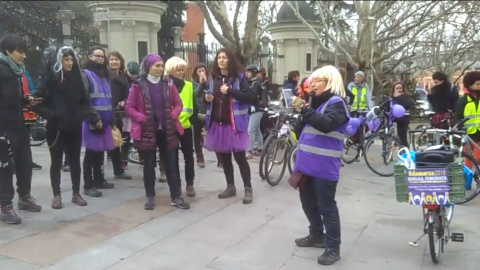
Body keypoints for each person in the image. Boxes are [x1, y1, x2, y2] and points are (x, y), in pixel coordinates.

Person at [292, 65, 349, 265]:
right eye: (312, 80)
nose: (312, 84)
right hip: (306, 164)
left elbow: (326, 125)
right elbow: (300, 131)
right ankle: (316, 234)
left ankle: (333, 248)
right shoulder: (315, 103)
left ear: (330, 82)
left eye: (318, 81)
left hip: (324, 166)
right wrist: (301, 112)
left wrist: (306, 110)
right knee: (307, 202)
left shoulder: (336, 103)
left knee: (327, 207)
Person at [33, 45, 100, 209]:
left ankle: (76, 193)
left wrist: (81, 115)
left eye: (71, 59)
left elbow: (85, 101)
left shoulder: (77, 79)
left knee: (75, 161)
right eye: (66, 60)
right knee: (56, 162)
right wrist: (51, 114)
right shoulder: (49, 80)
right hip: (55, 128)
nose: (69, 63)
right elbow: (36, 102)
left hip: (74, 126)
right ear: (59, 61)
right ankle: (56, 195)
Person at [125, 53, 190, 210]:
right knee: (148, 165)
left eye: (162, 66)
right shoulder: (138, 85)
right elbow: (129, 107)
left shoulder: (168, 84)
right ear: (148, 67)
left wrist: (173, 115)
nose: (161, 68)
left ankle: (176, 196)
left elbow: (178, 104)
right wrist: (141, 118)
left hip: (166, 130)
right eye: (157, 65)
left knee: (171, 164)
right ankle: (150, 197)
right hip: (147, 130)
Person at [204, 48, 256, 204]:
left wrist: (231, 91)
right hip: (218, 124)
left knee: (240, 158)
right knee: (224, 158)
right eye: (219, 57)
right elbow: (205, 97)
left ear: (230, 60)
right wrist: (207, 97)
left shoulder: (240, 78)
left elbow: (251, 97)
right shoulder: (213, 78)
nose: (221, 60)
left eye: (224, 58)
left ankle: (248, 188)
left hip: (234, 125)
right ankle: (230, 186)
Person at [0, 34, 42, 225]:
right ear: (7, 51)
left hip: (19, 124)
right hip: (5, 127)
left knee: (25, 162)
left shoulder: (16, 71)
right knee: (6, 167)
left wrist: (27, 100)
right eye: (20, 51)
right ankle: (6, 205)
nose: (23, 56)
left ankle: (24, 197)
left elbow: (13, 98)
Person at [81, 46, 116, 197]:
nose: (100, 59)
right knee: (91, 153)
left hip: (105, 120)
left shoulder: (105, 77)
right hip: (93, 120)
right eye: (97, 56)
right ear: (90, 57)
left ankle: (99, 179)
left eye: (102, 56)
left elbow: (108, 100)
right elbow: (84, 99)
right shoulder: (86, 74)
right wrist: (94, 118)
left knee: (100, 152)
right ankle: (88, 185)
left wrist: (112, 119)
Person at [164, 56, 196, 197]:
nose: (181, 72)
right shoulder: (165, 85)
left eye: (183, 70)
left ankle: (190, 183)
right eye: (178, 70)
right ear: (171, 70)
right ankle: (176, 184)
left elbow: (193, 107)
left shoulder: (189, 85)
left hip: (186, 127)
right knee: (173, 157)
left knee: (189, 156)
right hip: (171, 127)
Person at [192, 62, 223, 168]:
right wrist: (201, 84)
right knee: (196, 137)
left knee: (213, 135)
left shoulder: (210, 82)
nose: (201, 73)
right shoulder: (193, 82)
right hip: (197, 113)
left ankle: (220, 159)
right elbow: (194, 94)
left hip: (208, 113)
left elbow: (214, 92)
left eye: (203, 70)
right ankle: (200, 158)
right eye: (199, 71)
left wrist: (211, 96)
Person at [107, 51, 132, 177]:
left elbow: (129, 94)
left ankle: (121, 166)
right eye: (111, 59)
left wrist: (126, 101)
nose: (114, 62)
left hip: (122, 112)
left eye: (116, 59)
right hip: (111, 111)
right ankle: (118, 169)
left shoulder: (124, 76)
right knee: (115, 141)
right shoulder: (107, 76)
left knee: (122, 138)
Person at [455, 71, 480, 169]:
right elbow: (458, 117)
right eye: (477, 84)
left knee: (478, 158)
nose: (479, 86)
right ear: (470, 85)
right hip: (467, 135)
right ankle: (467, 180)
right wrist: (460, 128)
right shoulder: (463, 100)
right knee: (468, 160)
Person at [22, 70, 42, 170]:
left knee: (26, 136)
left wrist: (33, 99)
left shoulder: (24, 71)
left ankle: (27, 161)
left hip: (26, 106)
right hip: (12, 108)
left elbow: (31, 88)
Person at [245, 64, 266, 159]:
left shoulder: (255, 83)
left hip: (257, 109)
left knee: (250, 130)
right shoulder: (252, 82)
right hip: (256, 108)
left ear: (253, 73)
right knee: (257, 129)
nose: (247, 73)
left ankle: (250, 150)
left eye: (249, 72)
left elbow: (252, 95)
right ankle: (260, 148)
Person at [389, 81, 414, 147]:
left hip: (403, 118)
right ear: (394, 89)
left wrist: (400, 97)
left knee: (402, 136)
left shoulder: (406, 96)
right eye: (397, 88)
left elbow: (408, 104)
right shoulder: (392, 97)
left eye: (400, 88)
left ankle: (405, 151)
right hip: (394, 118)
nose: (398, 90)